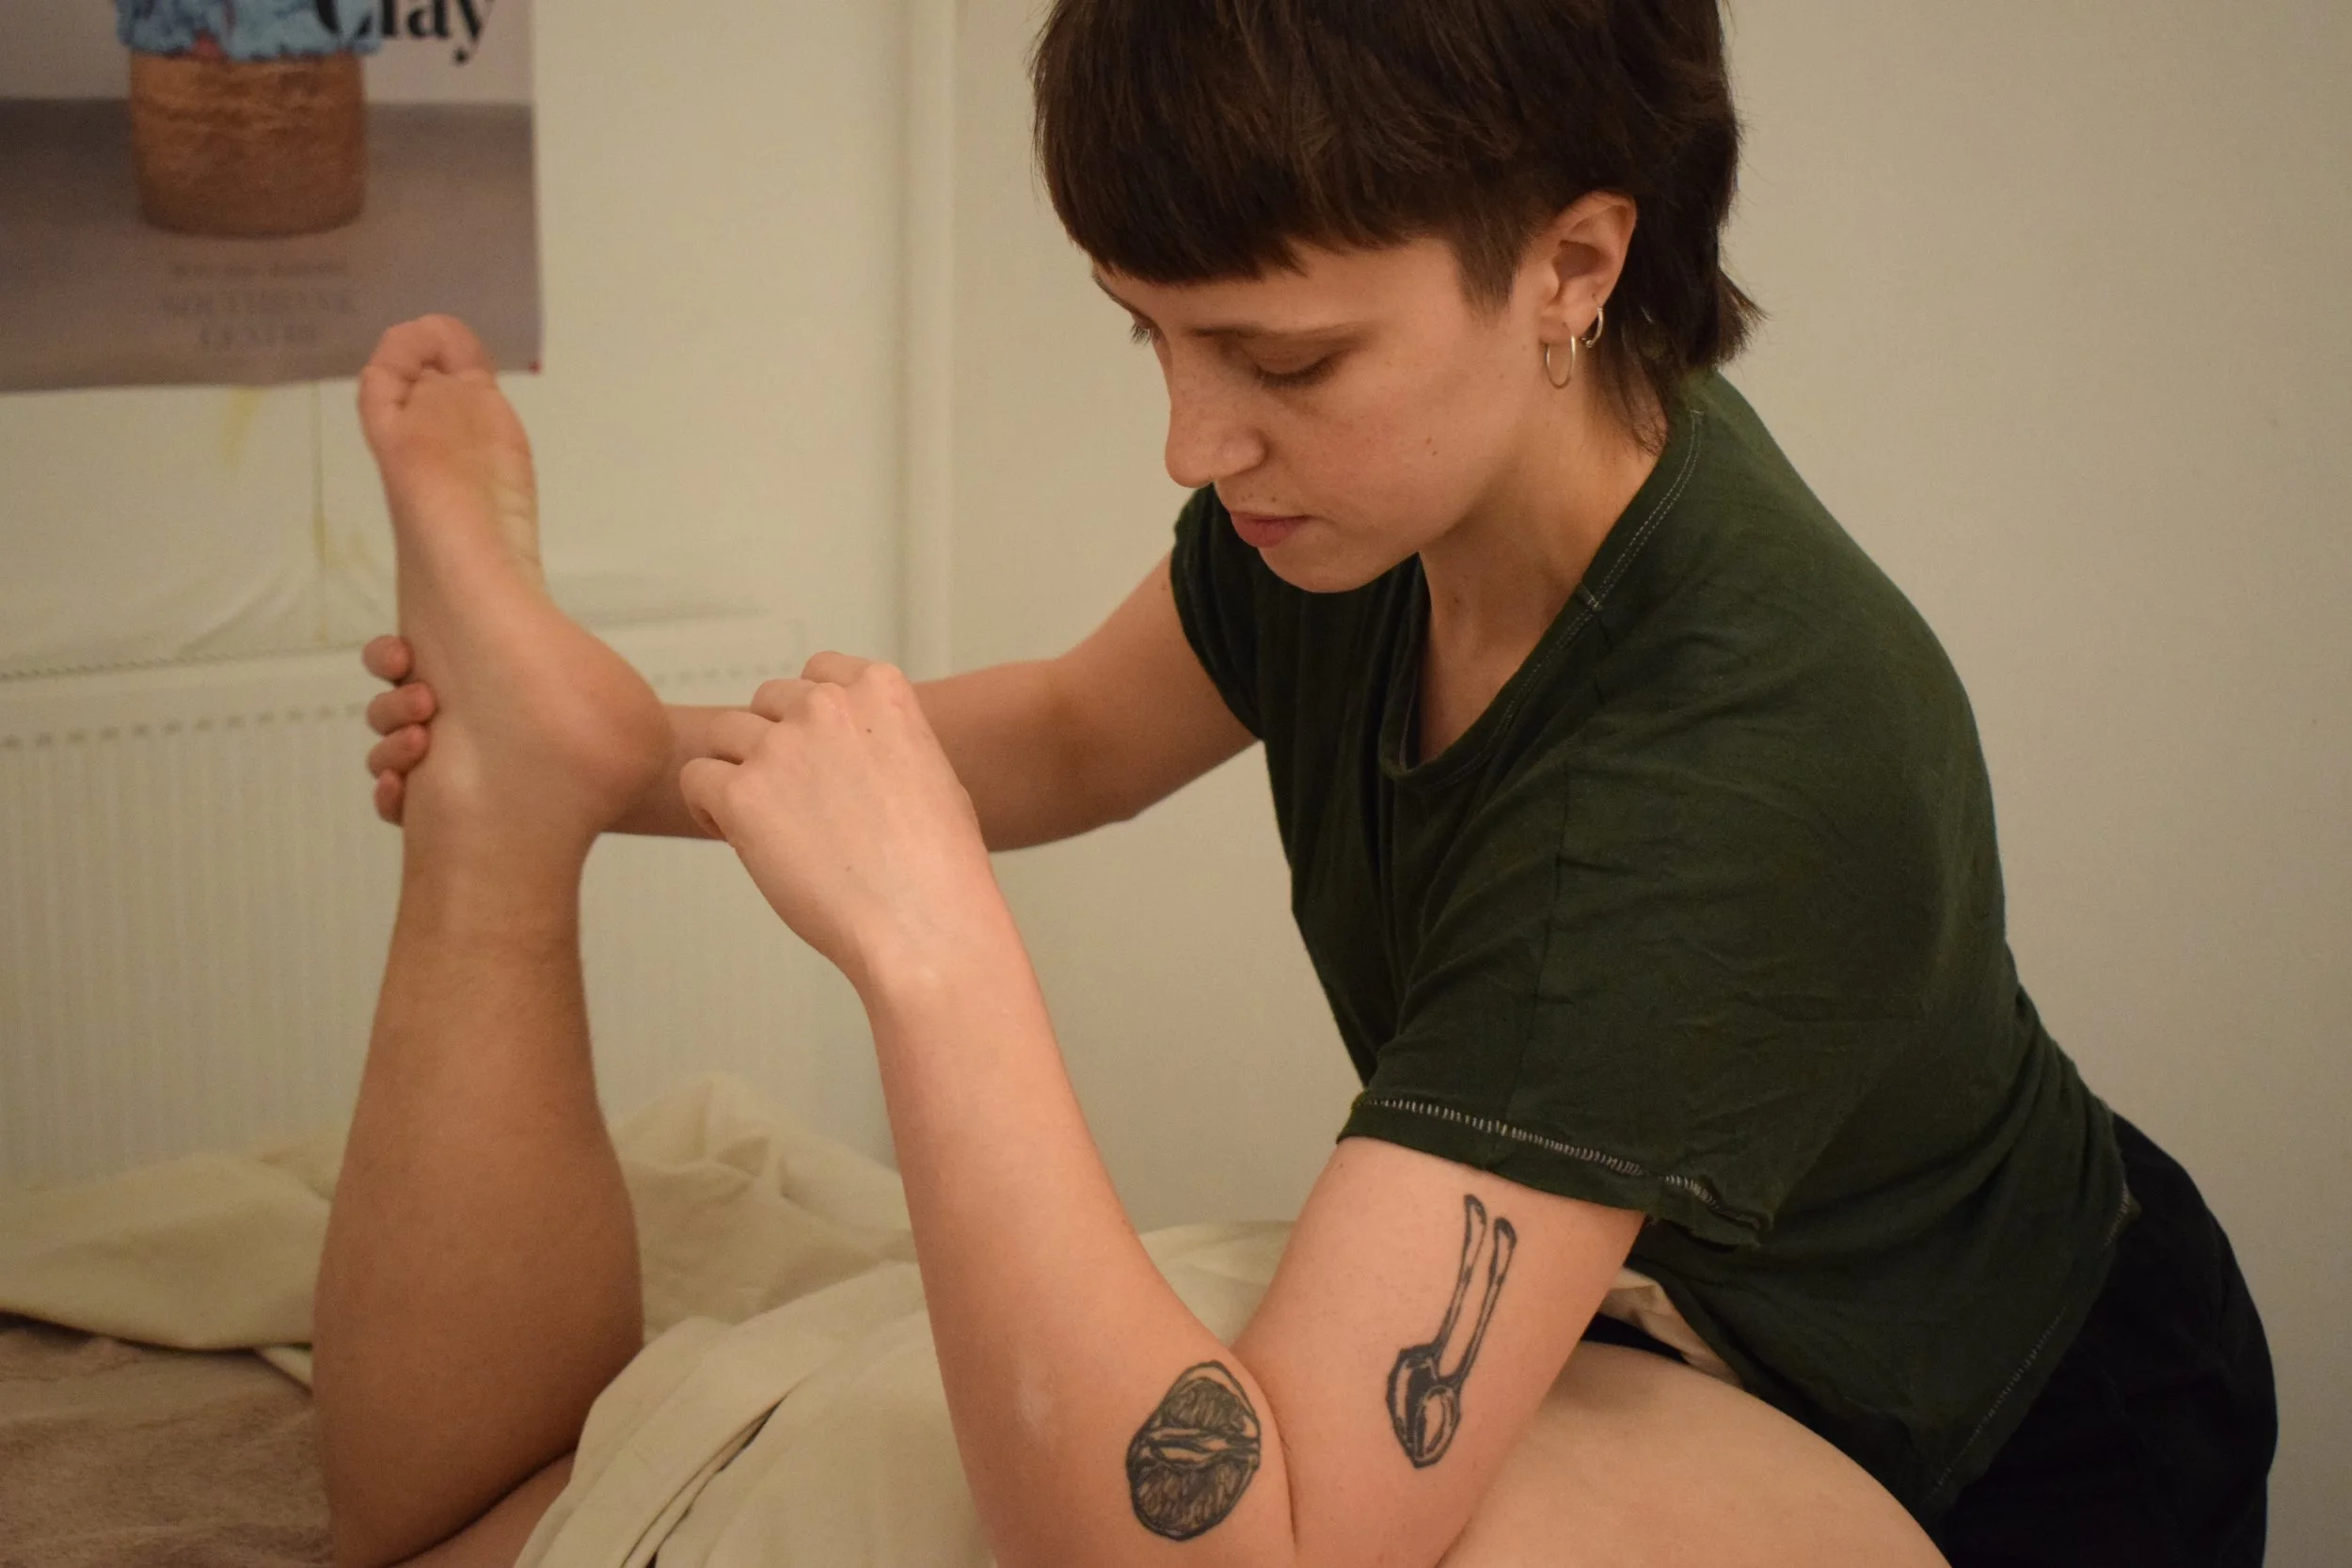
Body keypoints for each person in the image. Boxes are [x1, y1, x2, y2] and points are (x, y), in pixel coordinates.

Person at [321, 3, 2276, 1565]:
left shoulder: (1719, 761)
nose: (1190, 436)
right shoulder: (1365, 519)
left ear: (1572, 264)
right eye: (1146, 335)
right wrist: (620, 761)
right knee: (507, 1530)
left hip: (1978, 1421)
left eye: (1281, 357)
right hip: (1644, 1298)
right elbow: (1080, 732)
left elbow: (1250, 1545)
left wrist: (933, 959)